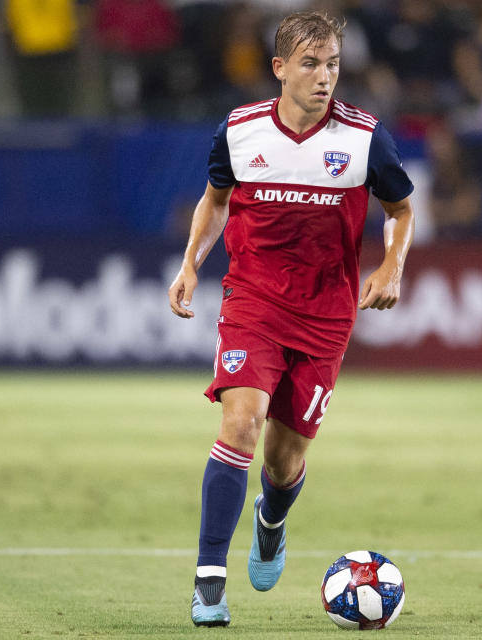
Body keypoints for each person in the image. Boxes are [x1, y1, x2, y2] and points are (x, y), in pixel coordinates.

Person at [167, 11, 415, 627]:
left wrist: (391, 268)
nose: (324, 77)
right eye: (310, 64)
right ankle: (209, 583)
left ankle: (271, 520)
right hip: (252, 301)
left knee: (282, 462)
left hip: (326, 315)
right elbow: (215, 201)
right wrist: (191, 263)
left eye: (332, 64)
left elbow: (401, 210)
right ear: (280, 69)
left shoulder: (364, 139)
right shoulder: (240, 131)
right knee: (242, 422)